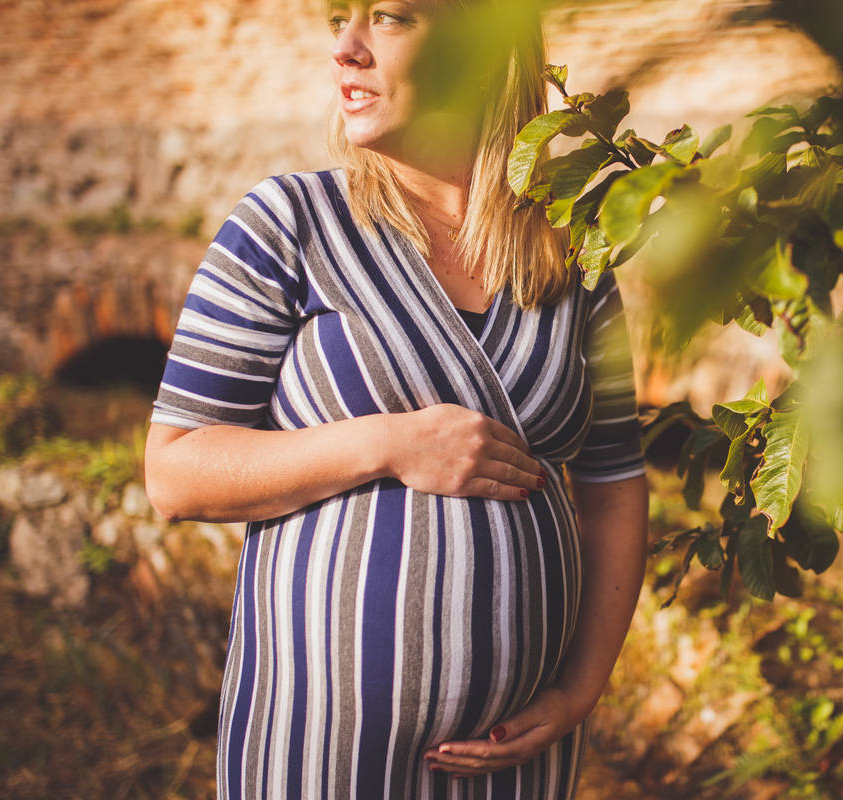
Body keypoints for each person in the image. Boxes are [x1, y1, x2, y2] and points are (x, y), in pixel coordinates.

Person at [142, 1, 649, 799]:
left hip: (515, 756)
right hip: (320, 749)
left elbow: (614, 483)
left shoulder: (571, 253)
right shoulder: (290, 225)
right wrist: (386, 445)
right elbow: (174, 473)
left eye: (387, 18)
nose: (345, 50)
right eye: (338, 18)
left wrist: (581, 690)